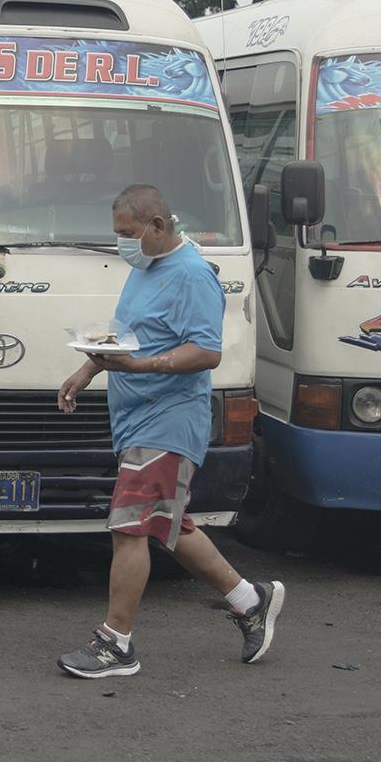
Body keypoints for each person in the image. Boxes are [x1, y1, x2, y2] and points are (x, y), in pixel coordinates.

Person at [54, 183, 284, 678]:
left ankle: (115, 644)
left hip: (169, 421)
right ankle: (250, 601)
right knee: (167, 524)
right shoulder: (145, 268)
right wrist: (88, 370)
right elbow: (125, 337)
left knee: (129, 526)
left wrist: (144, 367)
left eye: (127, 233)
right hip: (137, 420)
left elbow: (207, 351)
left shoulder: (193, 275)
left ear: (157, 226)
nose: (122, 244)